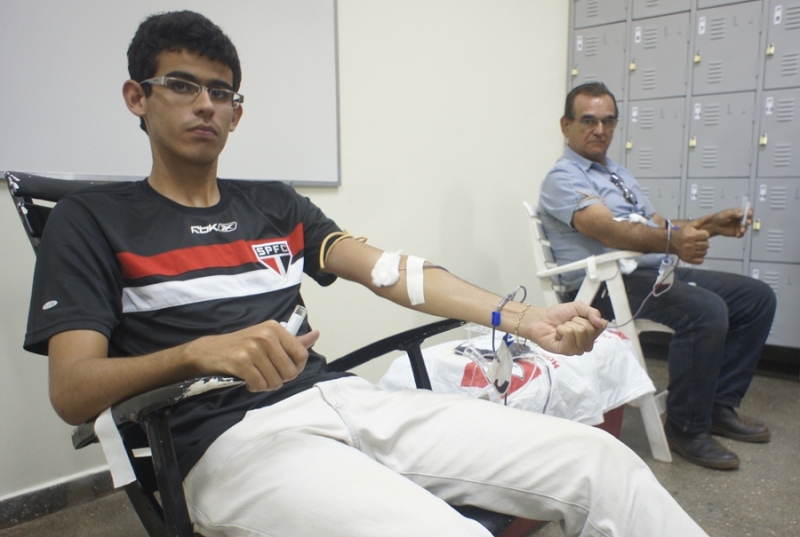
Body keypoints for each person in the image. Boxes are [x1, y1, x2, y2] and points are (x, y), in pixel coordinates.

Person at [25, 12, 710, 536]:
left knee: (601, 460)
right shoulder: (92, 219)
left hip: (339, 397)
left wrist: (527, 317)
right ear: (136, 97)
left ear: (237, 110)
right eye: (181, 85)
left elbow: (391, 273)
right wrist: (198, 352)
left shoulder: (272, 202)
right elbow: (73, 390)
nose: (205, 104)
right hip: (223, 439)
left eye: (221, 91)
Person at [538, 82, 777, 471]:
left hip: (642, 275)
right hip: (599, 289)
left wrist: (711, 224)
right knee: (706, 311)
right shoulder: (563, 178)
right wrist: (674, 243)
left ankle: (719, 405)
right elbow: (609, 230)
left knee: (756, 297)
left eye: (609, 120)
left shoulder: (617, 174)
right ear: (566, 125)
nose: (601, 129)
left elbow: (660, 226)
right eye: (589, 120)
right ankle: (686, 427)